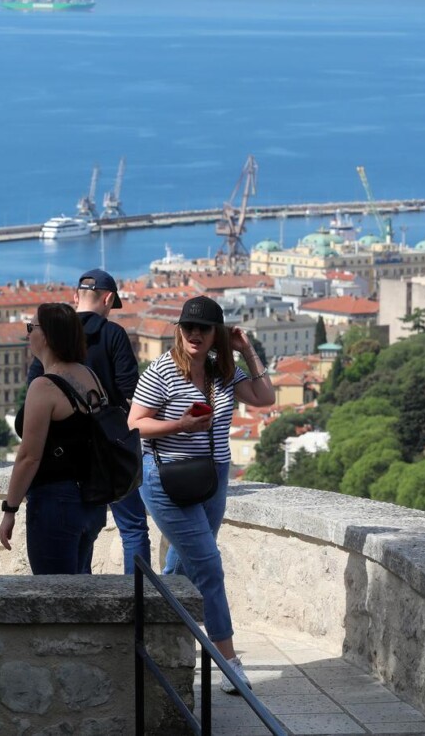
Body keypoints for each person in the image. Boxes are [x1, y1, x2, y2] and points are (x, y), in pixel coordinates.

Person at [128, 295, 276, 694]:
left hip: (212, 478)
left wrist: (247, 350)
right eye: (188, 327)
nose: (195, 334)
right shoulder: (160, 372)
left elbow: (266, 399)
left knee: (182, 569)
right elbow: (134, 425)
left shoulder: (222, 371)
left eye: (204, 328)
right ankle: (228, 662)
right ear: (179, 330)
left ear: (217, 334)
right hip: (165, 479)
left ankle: (148, 634)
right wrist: (179, 426)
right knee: (208, 565)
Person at [26, 268, 145, 573]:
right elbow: (131, 391)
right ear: (108, 299)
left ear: (76, 297)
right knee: (131, 526)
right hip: (107, 449)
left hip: (61, 461)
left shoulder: (50, 336)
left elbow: (32, 391)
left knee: (74, 546)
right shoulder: (114, 334)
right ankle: (137, 599)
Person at [2, 303, 108, 574]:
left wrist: (9, 509)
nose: (27, 334)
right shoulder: (90, 376)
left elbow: (29, 457)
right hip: (90, 501)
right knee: (81, 591)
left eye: (31, 327)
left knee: (55, 597)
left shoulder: (44, 386)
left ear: (46, 336)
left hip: (55, 503)